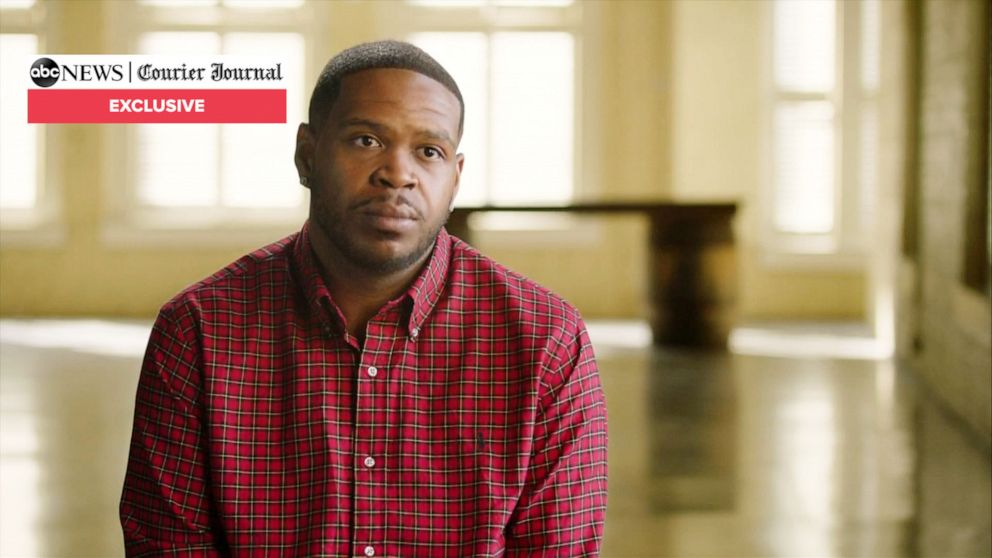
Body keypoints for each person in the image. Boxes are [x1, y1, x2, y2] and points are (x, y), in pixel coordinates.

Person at [120, 40, 608, 557]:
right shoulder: (198, 331)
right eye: (366, 140)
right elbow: (170, 547)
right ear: (306, 155)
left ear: (455, 178)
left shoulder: (546, 342)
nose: (398, 173)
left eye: (429, 151)